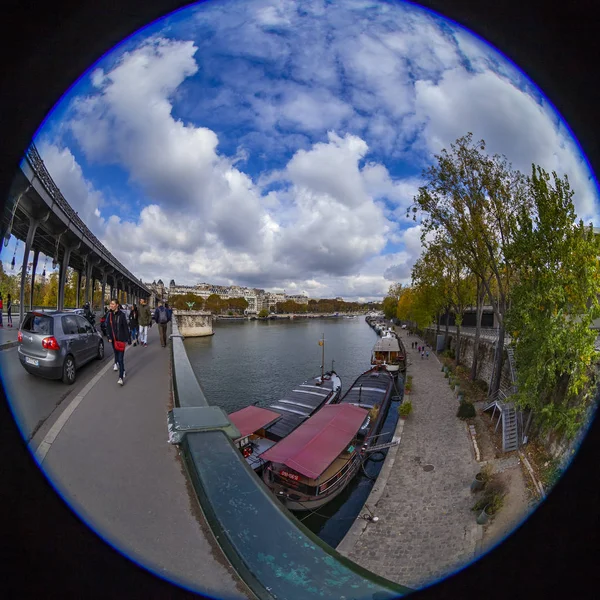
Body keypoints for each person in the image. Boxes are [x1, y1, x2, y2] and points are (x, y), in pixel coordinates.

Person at [107, 299, 129, 386]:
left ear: (117, 305)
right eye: (110, 304)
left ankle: (120, 378)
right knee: (116, 356)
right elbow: (108, 327)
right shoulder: (110, 315)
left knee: (120, 358)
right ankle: (122, 370)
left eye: (112, 304)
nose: (111, 305)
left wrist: (128, 338)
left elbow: (125, 327)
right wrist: (109, 337)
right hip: (113, 340)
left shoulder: (122, 315)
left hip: (121, 339)